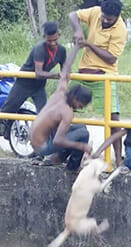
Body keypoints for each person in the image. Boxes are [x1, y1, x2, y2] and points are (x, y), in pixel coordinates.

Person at [0, 21, 67, 155]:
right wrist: (56, 75)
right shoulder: (39, 49)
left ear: (59, 35)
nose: (53, 43)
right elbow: (39, 73)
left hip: (39, 87)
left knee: (46, 115)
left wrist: (63, 84)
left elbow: (65, 70)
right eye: (50, 41)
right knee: (5, 111)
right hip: (23, 84)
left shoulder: (61, 51)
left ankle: (52, 149)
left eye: (55, 40)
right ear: (45, 38)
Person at [68, 0, 127, 167]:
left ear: (117, 16)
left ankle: (118, 159)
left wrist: (88, 44)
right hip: (84, 73)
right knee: (63, 111)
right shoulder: (95, 12)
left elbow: (111, 58)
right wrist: (79, 31)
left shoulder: (120, 30)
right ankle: (58, 154)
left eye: (109, 19)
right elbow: (72, 15)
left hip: (104, 77)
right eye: (104, 17)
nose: (105, 21)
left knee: (113, 120)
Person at [30, 39, 93, 172]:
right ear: (75, 98)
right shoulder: (67, 112)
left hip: (36, 137)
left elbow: (65, 70)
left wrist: (76, 48)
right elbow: (58, 141)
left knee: (80, 127)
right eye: (81, 105)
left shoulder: (60, 93)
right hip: (43, 146)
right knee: (83, 133)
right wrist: (82, 147)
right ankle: (72, 167)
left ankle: (57, 158)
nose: (80, 108)